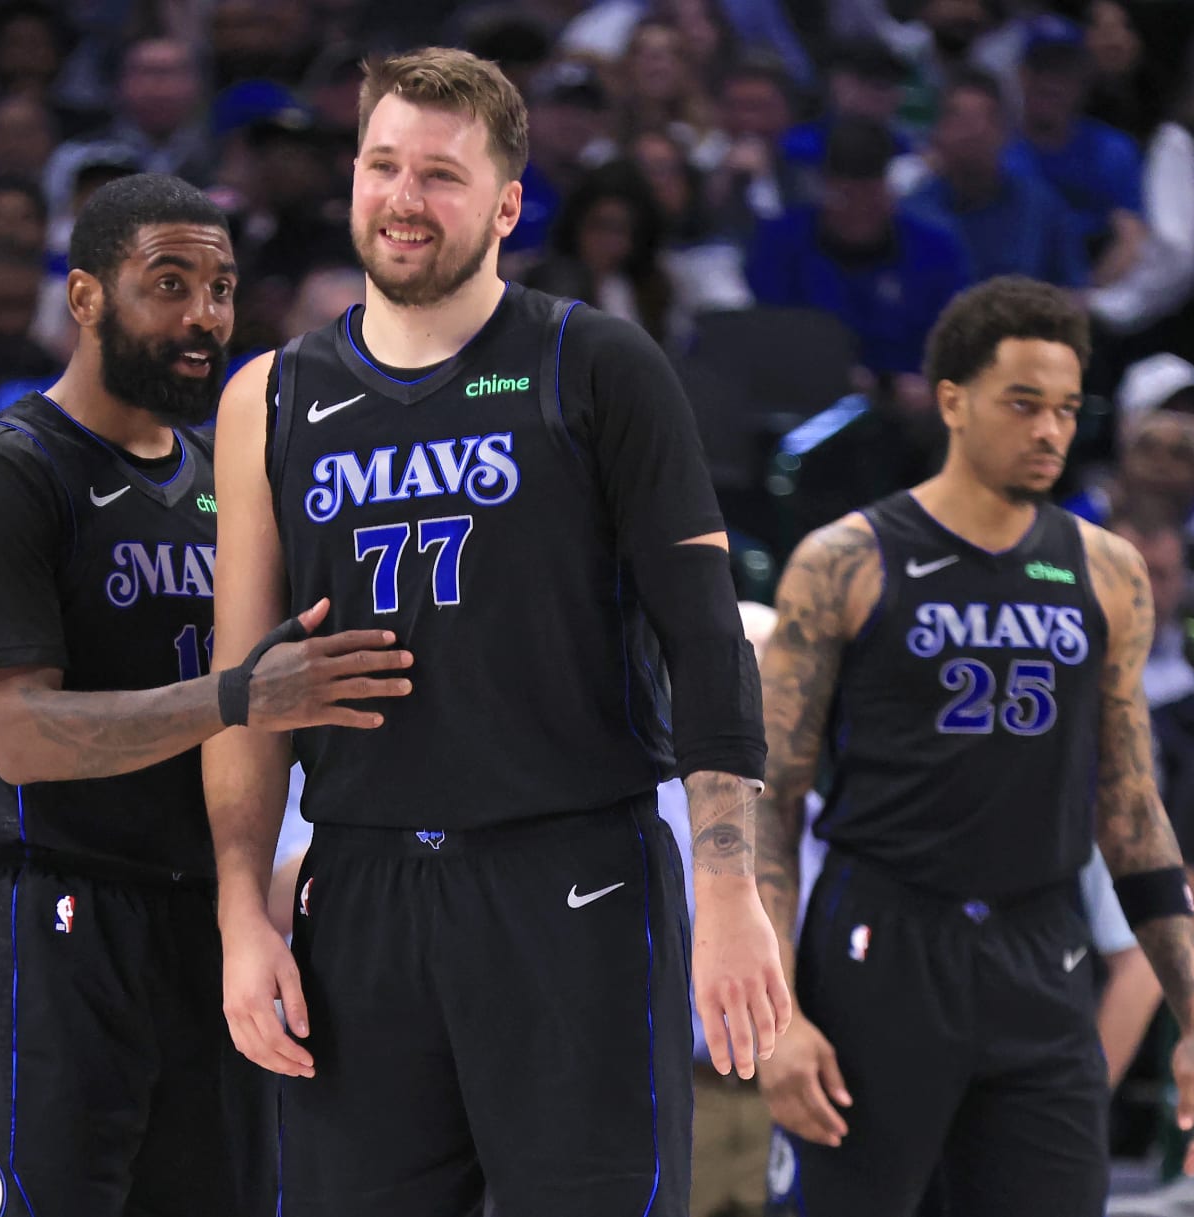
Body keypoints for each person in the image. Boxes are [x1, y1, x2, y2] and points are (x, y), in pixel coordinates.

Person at [206, 47, 781, 1217]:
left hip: (569, 876)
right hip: (357, 885)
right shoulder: (266, 396)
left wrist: (729, 890)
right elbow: (242, 690)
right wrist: (238, 913)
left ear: (508, 203)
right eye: (381, 166)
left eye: (441, 175)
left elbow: (709, 642)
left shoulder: (597, 363)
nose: (404, 199)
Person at [0, 172, 410, 1217]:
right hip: (57, 911)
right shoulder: (7, 476)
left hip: (210, 915)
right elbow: (19, 735)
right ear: (87, 297)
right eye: (170, 282)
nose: (205, 315)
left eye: (223, 287)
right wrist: (238, 697)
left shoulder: (220, 475)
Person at [753, 276, 1194, 1217]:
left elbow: (1132, 807)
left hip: (1040, 951)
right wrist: (779, 1019)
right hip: (879, 943)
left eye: (1066, 409)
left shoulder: (1109, 570)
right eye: (1024, 404)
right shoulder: (846, 560)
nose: (1052, 430)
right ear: (952, 402)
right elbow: (769, 802)